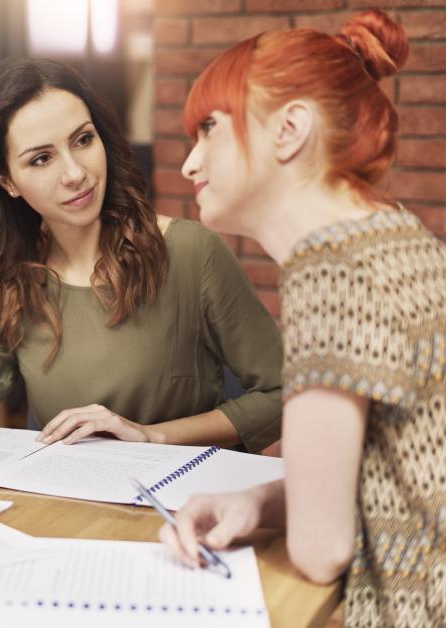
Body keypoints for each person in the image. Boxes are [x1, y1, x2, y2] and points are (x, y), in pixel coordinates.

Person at [160, 9, 445, 626]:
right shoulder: (396, 237)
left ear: (289, 129)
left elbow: (321, 550)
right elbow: (385, 479)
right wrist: (258, 502)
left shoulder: (331, 272)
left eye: (209, 128)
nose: (190, 163)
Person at [0, 58, 283, 454]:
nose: (75, 172)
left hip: (181, 501)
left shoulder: (190, 252)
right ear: (8, 182)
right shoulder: (18, 277)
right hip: (69, 504)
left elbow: (282, 393)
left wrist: (153, 435)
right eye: (41, 159)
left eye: (82, 140)